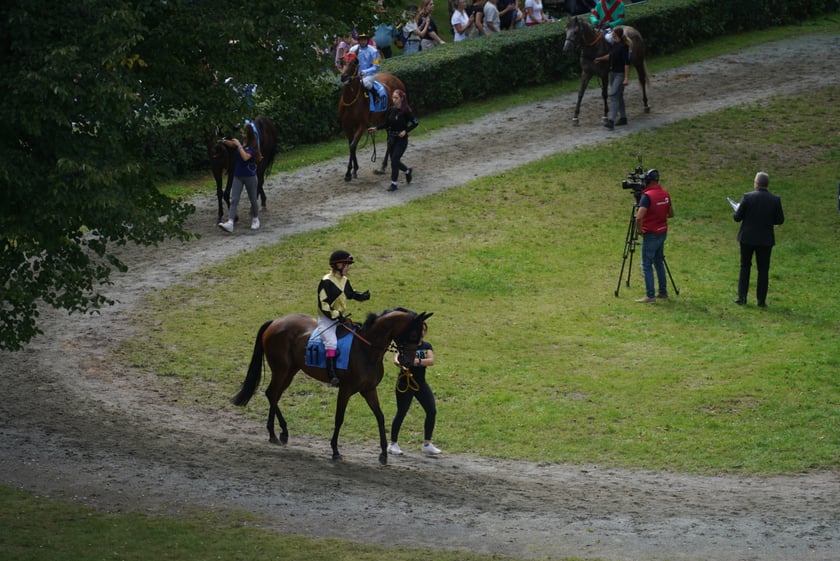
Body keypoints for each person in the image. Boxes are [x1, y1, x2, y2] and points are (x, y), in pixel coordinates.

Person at [317, 250, 371, 386]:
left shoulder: (344, 280)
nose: (348, 268)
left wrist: (361, 296)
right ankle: (332, 375)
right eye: (346, 265)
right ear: (338, 265)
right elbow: (323, 304)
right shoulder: (326, 282)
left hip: (341, 318)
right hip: (326, 319)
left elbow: (350, 293)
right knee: (332, 343)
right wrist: (336, 316)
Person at [388, 322, 442, 456]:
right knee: (401, 412)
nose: (422, 332)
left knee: (431, 410)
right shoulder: (405, 344)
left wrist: (415, 361)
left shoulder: (426, 346)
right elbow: (396, 359)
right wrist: (401, 364)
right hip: (405, 383)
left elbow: (431, 360)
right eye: (419, 330)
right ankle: (393, 443)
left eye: (424, 330)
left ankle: (427, 443)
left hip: (420, 383)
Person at [733, 171, 785, 307]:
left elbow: (737, 217)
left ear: (756, 183)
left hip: (747, 237)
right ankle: (761, 300)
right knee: (763, 270)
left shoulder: (747, 197)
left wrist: (738, 210)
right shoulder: (775, 200)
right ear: (767, 184)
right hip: (765, 239)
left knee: (745, 266)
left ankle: (742, 297)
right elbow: (780, 219)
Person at [634, 169, 674, 303]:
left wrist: (640, 231)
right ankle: (663, 292)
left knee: (646, 264)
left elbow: (638, 217)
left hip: (651, 233)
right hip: (662, 231)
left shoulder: (647, 196)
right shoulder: (665, 194)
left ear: (648, 181)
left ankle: (650, 296)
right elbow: (671, 214)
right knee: (659, 261)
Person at [368, 89, 419, 192]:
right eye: (393, 98)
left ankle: (394, 184)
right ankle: (407, 171)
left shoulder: (406, 111)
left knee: (394, 160)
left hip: (401, 140)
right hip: (391, 139)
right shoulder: (391, 110)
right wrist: (376, 128)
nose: (394, 100)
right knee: (394, 161)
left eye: (396, 98)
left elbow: (415, 123)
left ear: (401, 99)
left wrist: (406, 131)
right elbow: (387, 124)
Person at [217, 121, 263, 233]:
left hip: (250, 176)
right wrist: (222, 141)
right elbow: (232, 144)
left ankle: (255, 219)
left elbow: (246, 157)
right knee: (234, 199)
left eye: (243, 133)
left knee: (253, 199)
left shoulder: (253, 146)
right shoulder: (242, 143)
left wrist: (238, 145)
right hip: (238, 175)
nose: (241, 135)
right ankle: (230, 222)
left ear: (248, 134)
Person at [595, 25, 630, 130]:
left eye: (613, 32)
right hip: (613, 73)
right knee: (618, 96)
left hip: (620, 74)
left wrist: (626, 78)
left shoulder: (624, 47)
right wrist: (600, 59)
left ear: (617, 34)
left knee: (613, 94)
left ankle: (611, 120)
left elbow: (626, 63)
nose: (611, 33)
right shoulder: (615, 44)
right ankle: (623, 118)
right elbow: (610, 56)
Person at [348, 32, 382, 104]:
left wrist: (365, 72)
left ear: (367, 40)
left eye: (365, 40)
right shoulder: (352, 50)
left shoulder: (374, 51)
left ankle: (376, 95)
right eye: (361, 40)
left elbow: (376, 67)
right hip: (355, 74)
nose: (363, 42)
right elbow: (349, 64)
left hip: (369, 74)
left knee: (365, 83)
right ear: (358, 40)